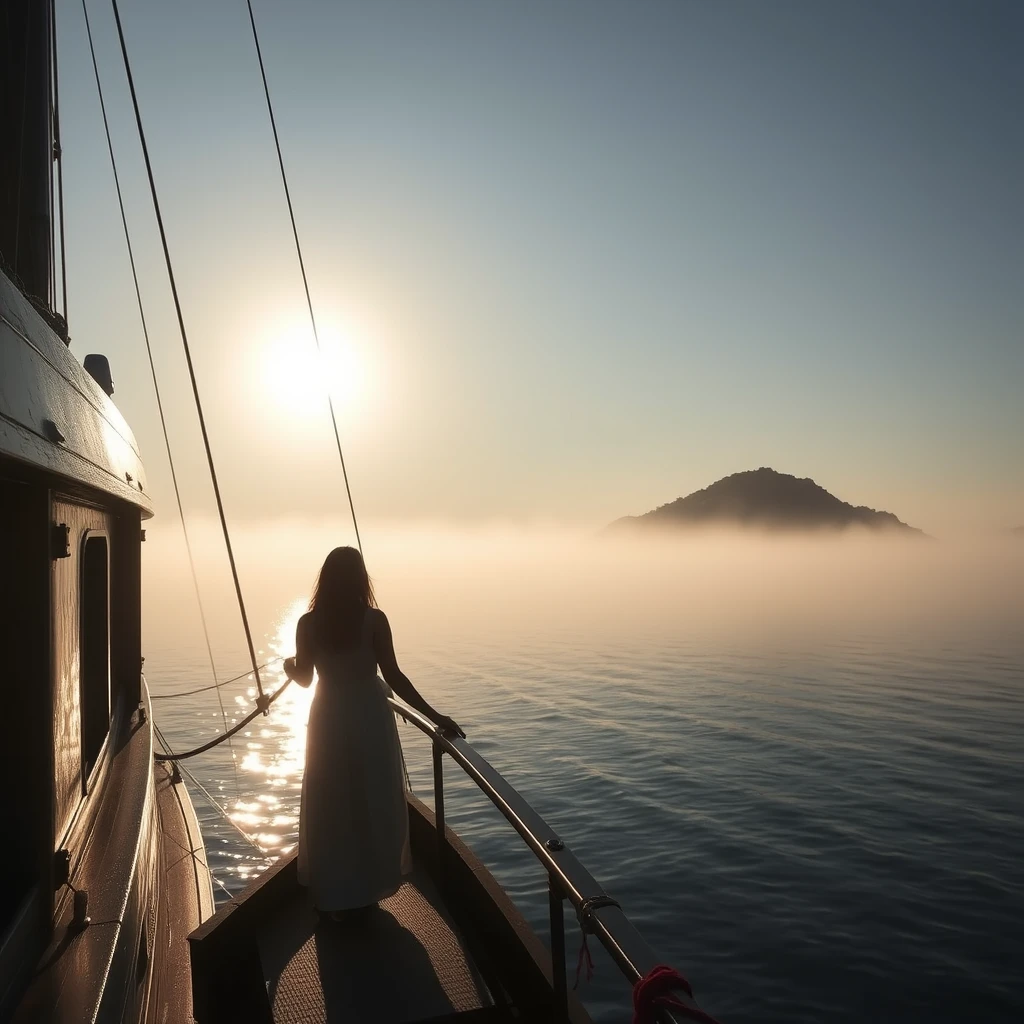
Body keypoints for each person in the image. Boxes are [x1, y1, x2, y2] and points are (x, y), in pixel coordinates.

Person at [283, 546, 463, 917]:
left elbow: (303, 679)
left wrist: (288, 666)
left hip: (328, 718)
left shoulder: (308, 624)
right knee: (371, 797)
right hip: (369, 717)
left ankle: (335, 891)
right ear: (361, 578)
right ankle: (368, 887)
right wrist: (435, 715)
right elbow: (395, 677)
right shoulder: (375, 621)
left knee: (331, 798)